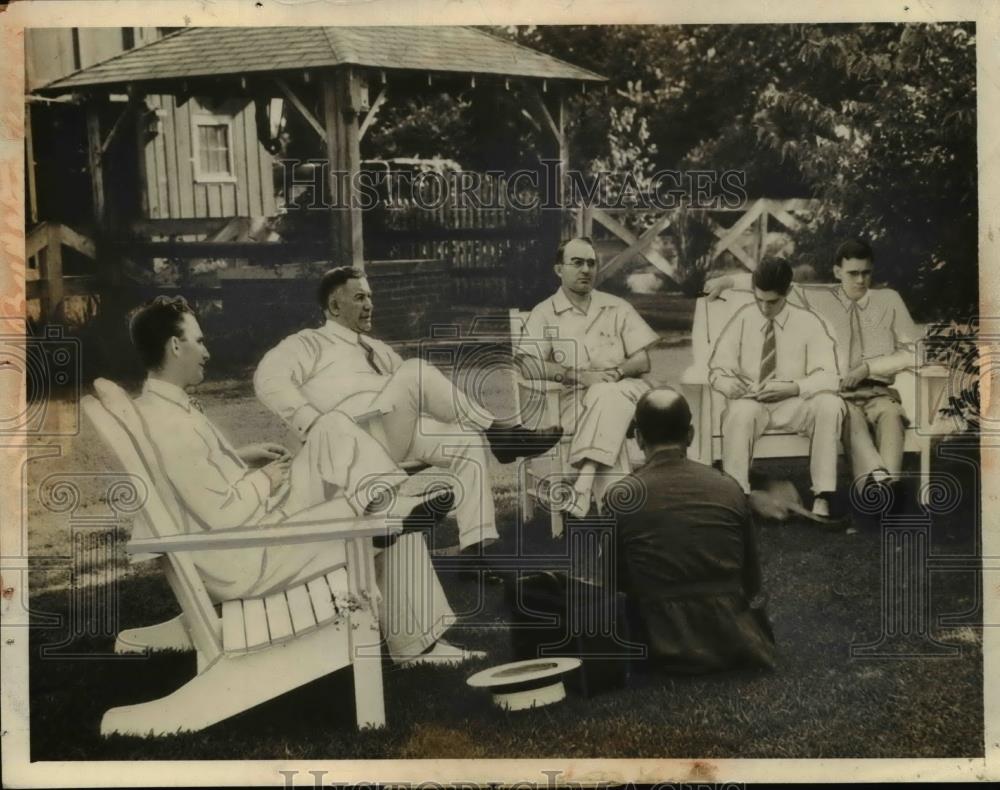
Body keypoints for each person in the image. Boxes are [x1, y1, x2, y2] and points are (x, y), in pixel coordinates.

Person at [128, 295, 480, 666]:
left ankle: (391, 506)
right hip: (246, 555)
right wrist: (264, 479)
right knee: (377, 515)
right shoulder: (169, 424)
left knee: (332, 430)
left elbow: (195, 474)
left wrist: (240, 456)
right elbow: (219, 511)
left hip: (249, 534)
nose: (206, 352)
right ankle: (418, 646)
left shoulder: (160, 407)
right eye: (199, 341)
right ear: (175, 345)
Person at [254, 267, 562, 556]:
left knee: (467, 440)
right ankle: (501, 435)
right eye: (360, 297)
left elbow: (416, 395)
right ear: (334, 307)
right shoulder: (309, 343)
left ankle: (477, 549)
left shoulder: (376, 348)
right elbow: (268, 379)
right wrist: (314, 424)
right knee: (416, 370)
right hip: (351, 441)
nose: (369, 305)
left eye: (370, 296)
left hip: (393, 435)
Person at [704, 239, 922, 490]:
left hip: (879, 390)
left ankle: (886, 486)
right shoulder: (821, 298)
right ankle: (878, 487)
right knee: (847, 416)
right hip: (841, 392)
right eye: (853, 273)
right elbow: (776, 284)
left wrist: (869, 368)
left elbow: (915, 354)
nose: (860, 280)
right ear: (837, 272)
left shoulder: (889, 300)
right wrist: (726, 282)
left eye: (866, 273)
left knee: (891, 415)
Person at [607, 388, 776, 674]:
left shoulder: (621, 495)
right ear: (691, 435)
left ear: (637, 438)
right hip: (734, 639)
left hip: (657, 644)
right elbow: (751, 582)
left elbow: (613, 583)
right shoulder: (729, 487)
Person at [514, 237, 660, 518]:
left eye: (591, 263)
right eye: (577, 262)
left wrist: (615, 373)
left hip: (628, 392)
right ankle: (617, 516)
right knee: (606, 406)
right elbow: (525, 363)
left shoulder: (616, 306)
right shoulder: (545, 313)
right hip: (574, 401)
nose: (586, 270)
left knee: (606, 396)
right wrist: (576, 376)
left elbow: (643, 360)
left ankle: (584, 485)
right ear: (559, 270)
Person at [708, 257, 845, 517]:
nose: (764, 308)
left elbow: (830, 376)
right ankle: (738, 498)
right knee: (741, 412)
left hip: (794, 405)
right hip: (752, 403)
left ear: (788, 292)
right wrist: (728, 384)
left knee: (830, 403)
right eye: (759, 299)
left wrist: (794, 387)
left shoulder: (808, 323)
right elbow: (717, 370)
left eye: (772, 302)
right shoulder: (744, 319)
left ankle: (823, 496)